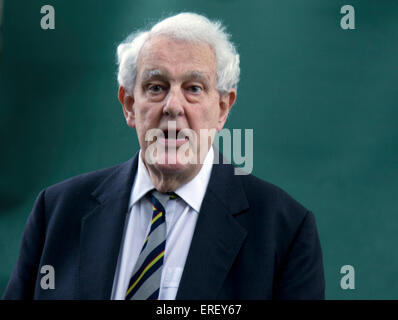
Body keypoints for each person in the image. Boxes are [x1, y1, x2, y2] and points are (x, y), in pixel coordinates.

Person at [3, 12, 325, 300]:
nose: (173, 106)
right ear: (129, 104)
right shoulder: (57, 213)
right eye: (156, 87)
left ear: (223, 109)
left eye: (194, 88)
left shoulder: (284, 232)